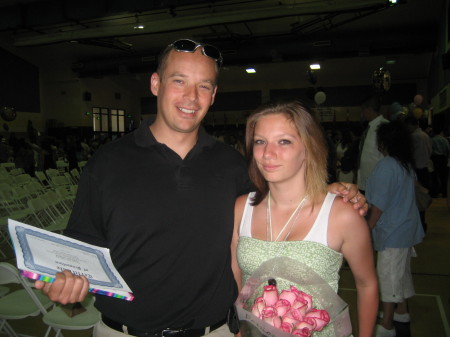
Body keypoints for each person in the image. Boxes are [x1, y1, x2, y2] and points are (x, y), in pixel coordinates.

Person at [36, 39, 367, 337]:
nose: (191, 97)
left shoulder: (233, 165)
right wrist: (64, 281)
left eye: (203, 86)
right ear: (156, 84)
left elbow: (284, 197)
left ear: (214, 95)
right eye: (179, 81)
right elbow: (81, 244)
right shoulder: (107, 162)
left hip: (215, 331)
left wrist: (333, 191)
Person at [231, 100, 378, 337]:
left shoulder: (341, 215)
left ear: (308, 148)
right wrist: (240, 326)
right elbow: (237, 276)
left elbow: (367, 284)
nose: (268, 153)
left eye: (284, 141)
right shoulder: (242, 208)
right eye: (260, 141)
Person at [365, 121, 425, 337]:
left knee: (388, 276)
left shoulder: (387, 166)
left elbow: (378, 206)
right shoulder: (404, 164)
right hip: (406, 229)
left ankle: (387, 324)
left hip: (393, 231)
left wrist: (366, 231)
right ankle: (402, 311)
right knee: (401, 274)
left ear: (384, 142)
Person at [404, 116, 432, 233]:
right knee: (421, 199)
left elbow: (411, 154)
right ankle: (422, 224)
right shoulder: (426, 136)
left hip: (417, 170)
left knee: (416, 200)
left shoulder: (413, 137)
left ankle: (418, 226)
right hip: (425, 169)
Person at [357, 94, 389, 193]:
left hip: (379, 180)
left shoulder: (384, 126)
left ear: (369, 109)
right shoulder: (370, 127)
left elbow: (389, 155)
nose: (362, 114)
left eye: (363, 110)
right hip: (366, 179)